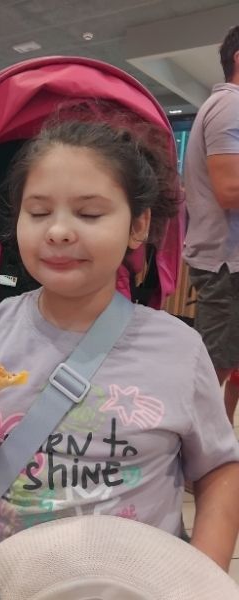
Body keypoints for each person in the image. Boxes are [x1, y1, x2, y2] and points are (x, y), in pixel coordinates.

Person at [0, 109, 239, 574]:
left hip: (133, 581)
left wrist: (203, 574)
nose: (57, 230)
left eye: (89, 212)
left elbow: (219, 469)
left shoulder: (179, 349)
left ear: (138, 226)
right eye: (38, 212)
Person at [182, 25, 239, 425]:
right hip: (226, 264)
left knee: (228, 365)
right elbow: (230, 191)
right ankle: (187, 458)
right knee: (211, 369)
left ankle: (218, 450)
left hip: (229, 263)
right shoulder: (232, 107)